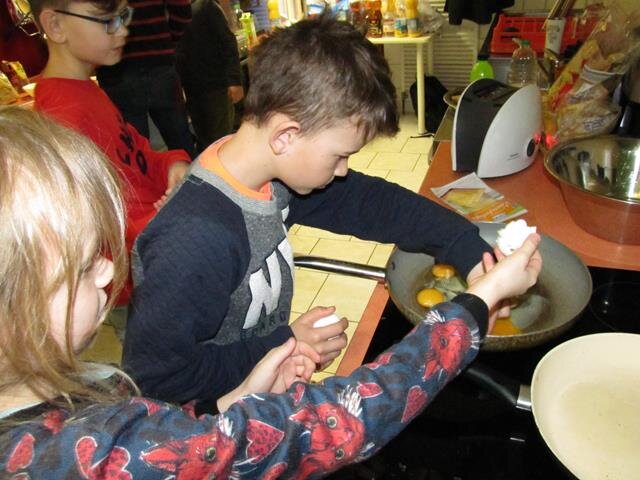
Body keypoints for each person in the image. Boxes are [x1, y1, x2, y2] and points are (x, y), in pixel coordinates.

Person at [0, 106, 542, 479]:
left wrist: (233, 401)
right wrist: (475, 306)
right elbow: (339, 424)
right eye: (80, 265)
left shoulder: (73, 401)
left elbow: (194, 436)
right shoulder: (92, 456)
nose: (106, 271)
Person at [123, 14, 510, 411]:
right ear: (286, 136)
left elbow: (371, 204)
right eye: (339, 156)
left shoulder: (271, 175)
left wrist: (467, 248)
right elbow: (159, 378)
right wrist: (285, 344)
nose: (343, 171)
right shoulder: (195, 238)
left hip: (263, 389)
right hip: (214, 425)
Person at [29, 0, 191, 307]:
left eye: (123, 16)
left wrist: (172, 164)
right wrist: (171, 216)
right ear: (56, 25)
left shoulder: (86, 89)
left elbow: (135, 154)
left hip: (154, 248)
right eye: (108, 20)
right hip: (134, 278)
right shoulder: (62, 117)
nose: (124, 29)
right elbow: (97, 225)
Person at [96, 0, 196, 158]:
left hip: (116, 69)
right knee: (180, 140)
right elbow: (182, 11)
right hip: (159, 61)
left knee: (135, 150)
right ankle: (192, 173)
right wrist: (168, 41)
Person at [176, 0, 245, 152]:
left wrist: (234, 80)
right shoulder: (179, 11)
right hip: (193, 88)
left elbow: (228, 42)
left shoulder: (206, 6)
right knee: (206, 138)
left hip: (215, 85)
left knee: (219, 138)